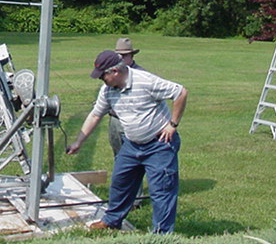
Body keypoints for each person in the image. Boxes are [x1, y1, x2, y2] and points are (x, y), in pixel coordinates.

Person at [67, 50, 188, 234]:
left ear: (115, 72)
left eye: (103, 76)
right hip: (131, 145)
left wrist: (172, 125)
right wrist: (79, 142)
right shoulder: (107, 91)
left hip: (159, 145)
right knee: (120, 182)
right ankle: (112, 220)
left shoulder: (145, 81)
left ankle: (162, 234)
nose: (101, 80)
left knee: (162, 190)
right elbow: (95, 115)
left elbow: (180, 92)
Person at [108, 38, 146, 204]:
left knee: (135, 161)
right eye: (119, 56)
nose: (122, 59)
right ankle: (121, 197)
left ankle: (135, 200)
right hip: (114, 121)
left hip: (132, 123)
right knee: (119, 160)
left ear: (131, 56)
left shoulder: (140, 75)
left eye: (125, 56)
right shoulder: (112, 73)